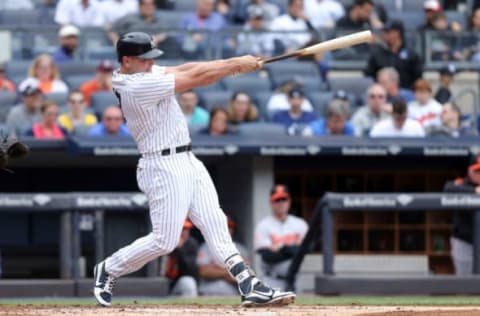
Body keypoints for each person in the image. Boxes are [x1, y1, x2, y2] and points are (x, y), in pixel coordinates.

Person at [92, 31, 295, 308]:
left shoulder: (144, 72)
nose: (151, 63)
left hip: (187, 158)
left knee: (216, 222)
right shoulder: (134, 85)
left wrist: (236, 63)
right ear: (126, 60)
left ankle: (248, 284)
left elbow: (187, 68)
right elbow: (198, 78)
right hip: (162, 165)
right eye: (144, 59)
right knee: (165, 240)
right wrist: (236, 65)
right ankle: (109, 268)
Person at [254, 184, 308, 291]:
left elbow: (308, 248)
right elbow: (268, 257)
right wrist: (293, 250)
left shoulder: (300, 224)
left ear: (289, 201)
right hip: (272, 281)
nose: (281, 203)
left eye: (284, 199)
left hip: (294, 281)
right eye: (277, 200)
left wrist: (281, 248)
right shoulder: (263, 225)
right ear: (271, 202)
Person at [444, 154, 480, 275]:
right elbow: (448, 188)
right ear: (469, 170)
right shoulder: (461, 183)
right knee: (465, 280)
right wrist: (474, 191)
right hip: (464, 241)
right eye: (477, 170)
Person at [196, 216, 249, 296]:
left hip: (232, 295)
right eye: (223, 226)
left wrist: (216, 269)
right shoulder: (205, 247)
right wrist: (230, 270)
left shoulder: (240, 249)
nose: (226, 230)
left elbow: (245, 277)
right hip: (206, 293)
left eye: (229, 227)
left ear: (233, 229)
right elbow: (203, 272)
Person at [364, 20, 423, 90]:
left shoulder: (411, 56)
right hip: (382, 95)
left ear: (397, 33)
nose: (384, 34)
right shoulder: (377, 55)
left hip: (406, 95)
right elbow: (368, 76)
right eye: (384, 32)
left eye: (388, 32)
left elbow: (418, 79)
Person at [164, 220, 199, 297]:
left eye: (185, 229)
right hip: (161, 283)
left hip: (177, 284)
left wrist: (179, 250)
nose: (182, 232)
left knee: (188, 282)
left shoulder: (191, 244)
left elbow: (190, 270)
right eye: (180, 229)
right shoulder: (162, 241)